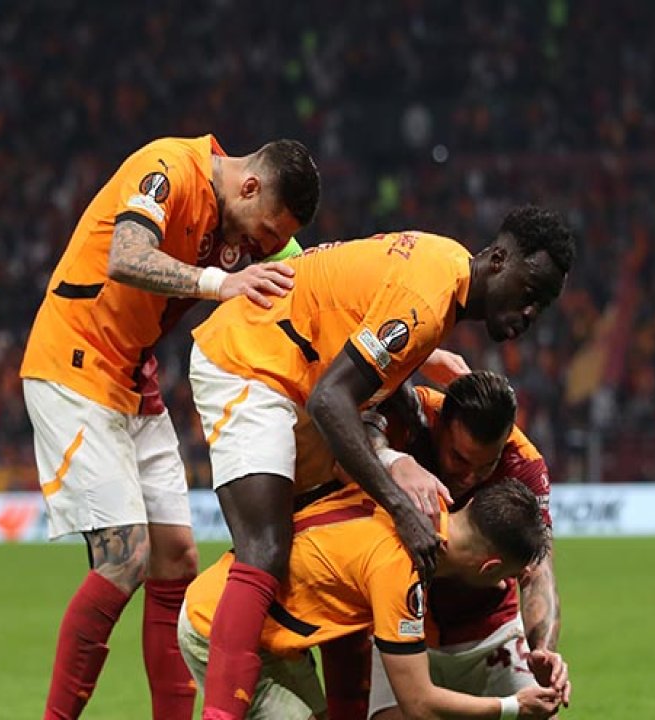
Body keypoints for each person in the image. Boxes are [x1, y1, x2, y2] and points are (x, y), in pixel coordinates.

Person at [187, 207, 575, 719]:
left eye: (541, 305)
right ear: (499, 259)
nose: (529, 311)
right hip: (252, 362)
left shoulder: (443, 278)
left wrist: (420, 364)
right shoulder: (429, 302)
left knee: (345, 567)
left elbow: (359, 315)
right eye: (528, 291)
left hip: (293, 369)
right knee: (264, 551)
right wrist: (399, 502)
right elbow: (331, 400)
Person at [19, 134, 321, 719]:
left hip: (135, 377)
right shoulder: (168, 169)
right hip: (75, 365)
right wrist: (219, 283)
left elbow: (311, 277)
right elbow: (126, 256)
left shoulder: (253, 226)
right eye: (263, 233)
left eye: (270, 243)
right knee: (125, 557)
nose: (258, 250)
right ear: (249, 187)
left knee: (178, 560)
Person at [180, 479, 563, 719]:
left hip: (256, 617)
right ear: (488, 567)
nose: (504, 586)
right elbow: (418, 704)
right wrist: (513, 707)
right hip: (220, 624)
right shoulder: (403, 570)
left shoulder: (412, 495)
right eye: (505, 577)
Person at [320, 372, 568, 719]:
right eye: (459, 458)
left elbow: (538, 568)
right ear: (440, 425)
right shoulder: (414, 414)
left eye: (487, 466)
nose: (470, 477)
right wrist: (393, 459)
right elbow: (345, 451)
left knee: (543, 710)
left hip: (488, 631)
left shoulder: (522, 463)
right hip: (402, 629)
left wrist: (542, 649)